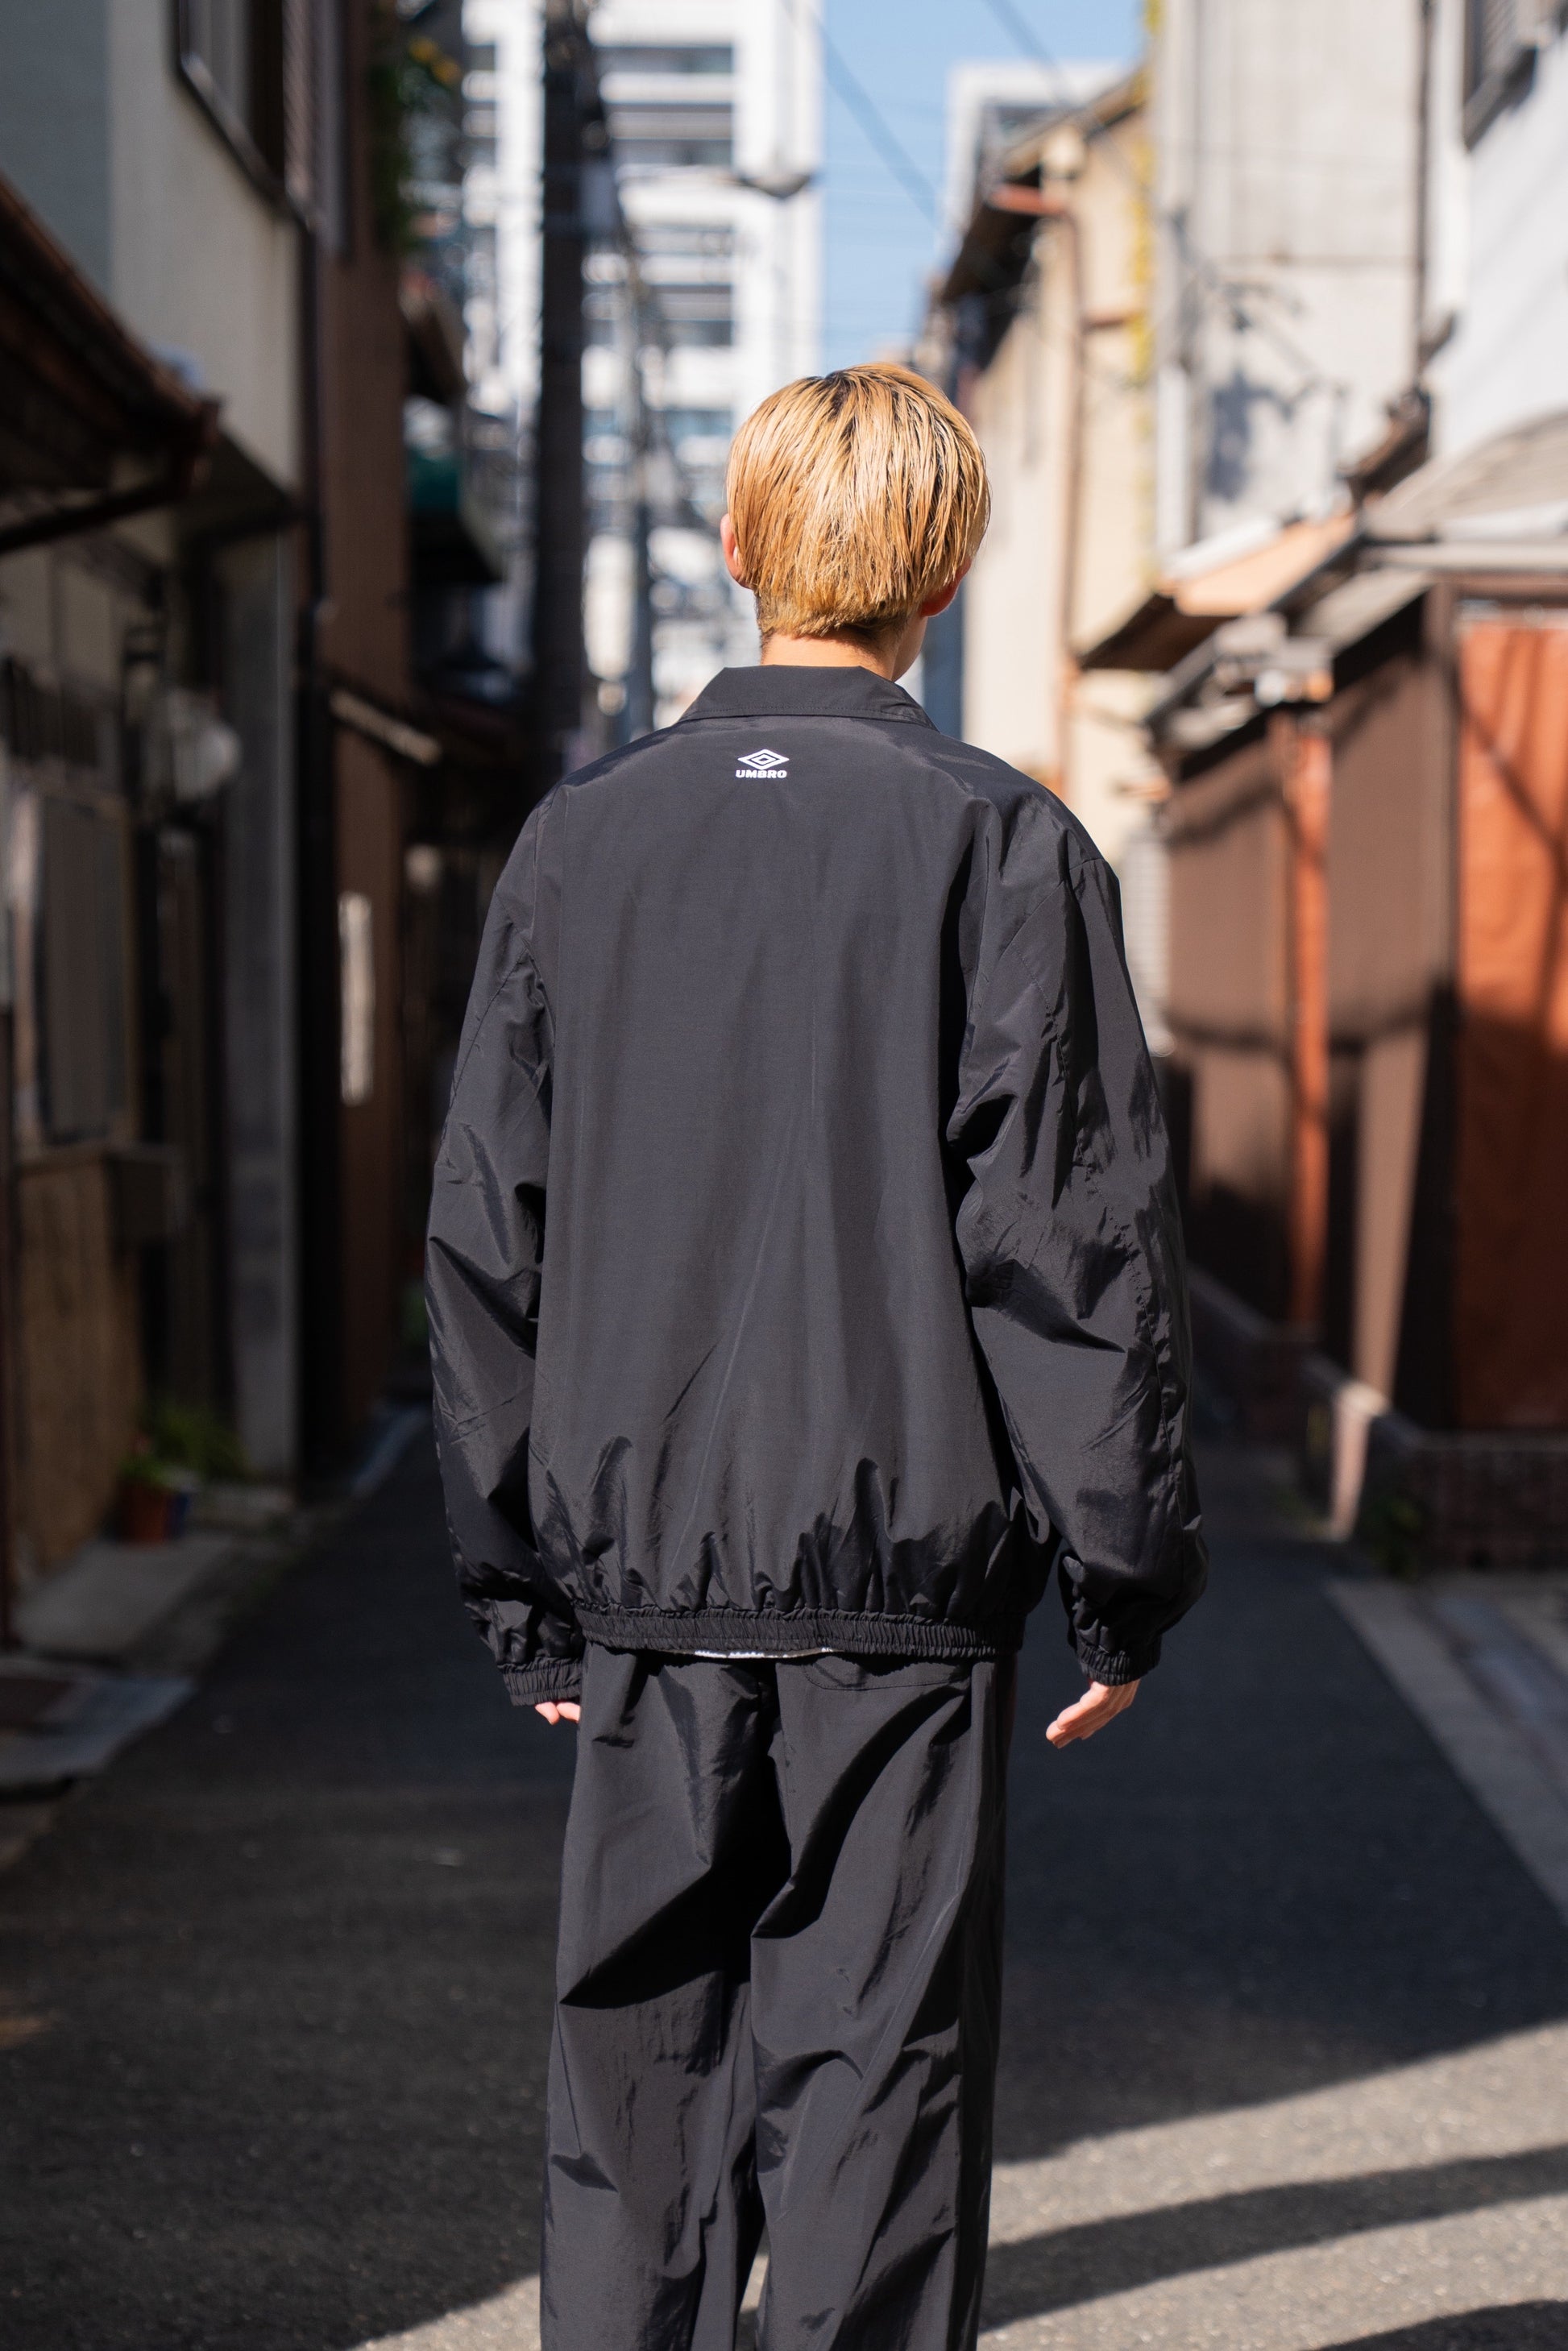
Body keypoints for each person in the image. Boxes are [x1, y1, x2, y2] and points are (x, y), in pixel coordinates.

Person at [426, 363, 1207, 2351]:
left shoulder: (580, 842)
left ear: (735, 545)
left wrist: (519, 1584)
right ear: (940, 575)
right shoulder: (1001, 843)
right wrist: (1120, 1571)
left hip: (642, 1582)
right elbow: (1066, 1237)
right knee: (877, 2084)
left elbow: (490, 1230)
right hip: (905, 1594)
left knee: (638, 2090)